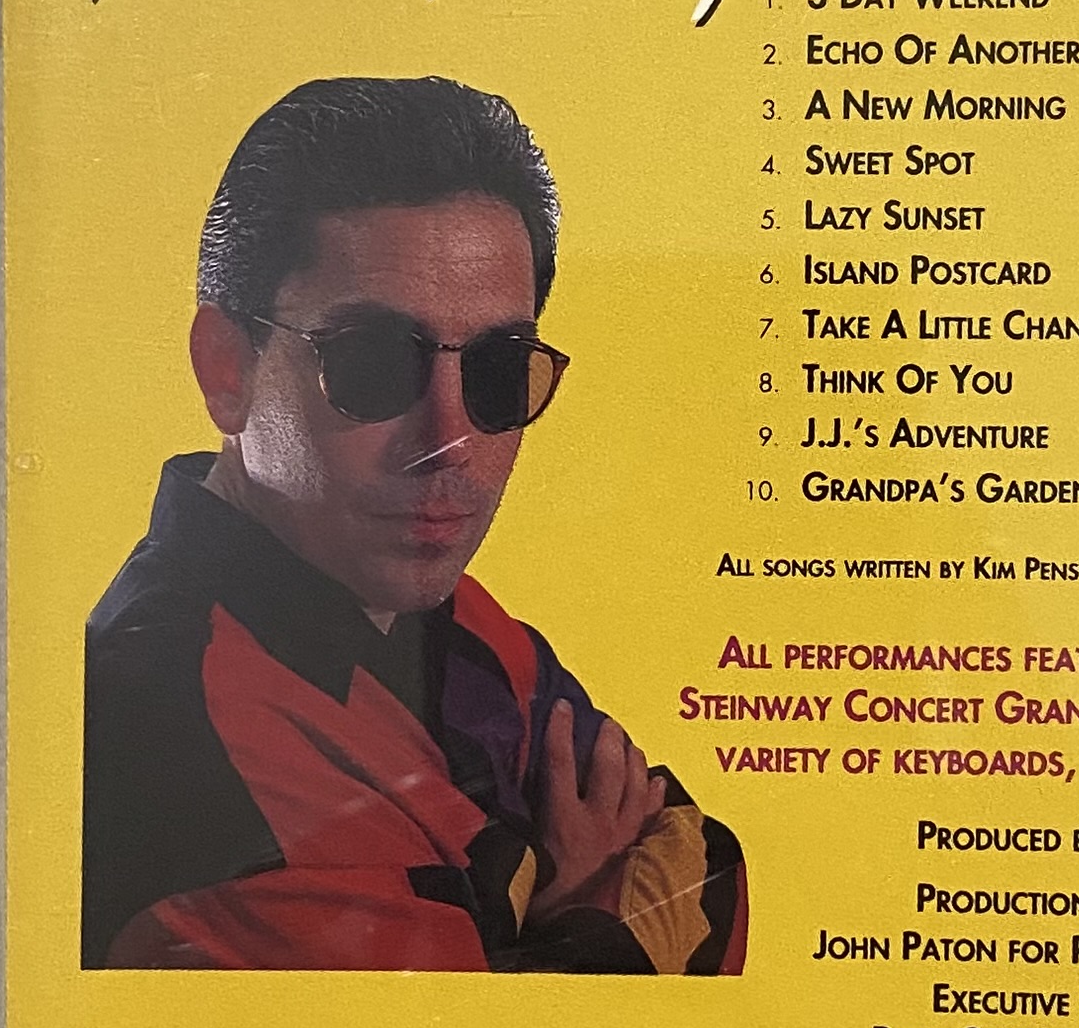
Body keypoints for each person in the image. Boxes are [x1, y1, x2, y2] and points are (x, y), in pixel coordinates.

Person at [81, 76, 746, 974]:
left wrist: (539, 945)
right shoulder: (174, 750)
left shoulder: (459, 623)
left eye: (499, 366)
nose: (450, 440)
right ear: (226, 368)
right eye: (371, 359)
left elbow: (712, 865)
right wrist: (588, 912)